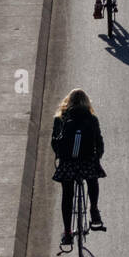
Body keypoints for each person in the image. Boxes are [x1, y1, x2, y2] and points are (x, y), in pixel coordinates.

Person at [51, 88, 106, 245]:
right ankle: (94, 210)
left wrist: (61, 157)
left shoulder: (60, 118)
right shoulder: (92, 118)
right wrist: (97, 159)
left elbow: (54, 143)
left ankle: (68, 232)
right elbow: (99, 142)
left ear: (68, 101)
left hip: (68, 164)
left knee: (67, 196)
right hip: (87, 161)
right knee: (92, 180)